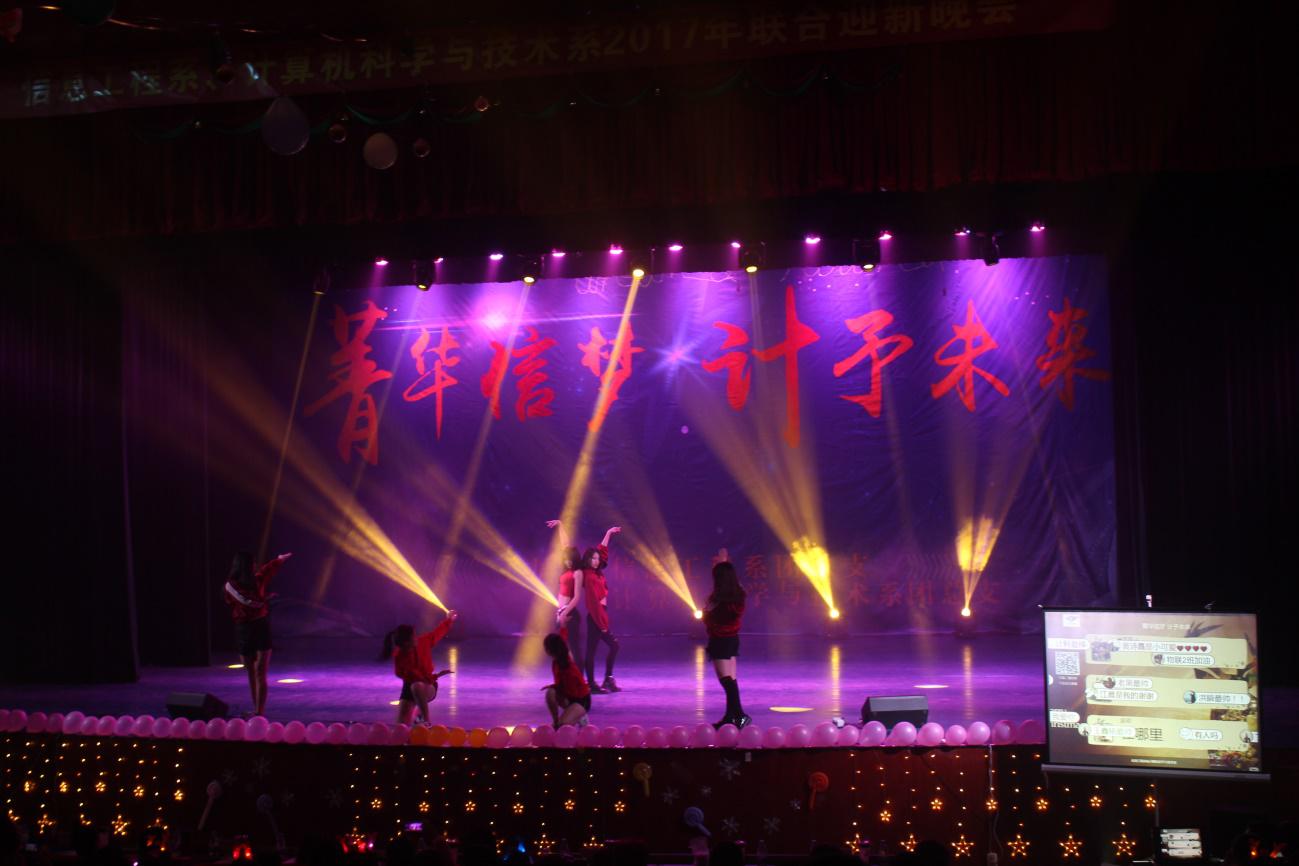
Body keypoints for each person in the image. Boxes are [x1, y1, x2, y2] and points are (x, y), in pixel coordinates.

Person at [223, 551, 292, 716]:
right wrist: (264, 600)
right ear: (244, 566)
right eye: (252, 563)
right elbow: (247, 601)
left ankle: (258, 712)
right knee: (251, 670)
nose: (255, 566)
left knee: (260, 671)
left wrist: (279, 560)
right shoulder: (230, 585)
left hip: (260, 625)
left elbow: (267, 570)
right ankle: (256, 708)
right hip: (244, 628)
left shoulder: (258, 579)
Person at [381, 610, 458, 725]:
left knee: (417, 686)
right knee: (401, 725)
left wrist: (449, 620)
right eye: (413, 636)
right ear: (406, 643)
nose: (416, 637)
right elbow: (410, 676)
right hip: (411, 688)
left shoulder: (423, 642)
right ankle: (417, 715)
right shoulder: (399, 656)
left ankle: (426, 720)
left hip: (427, 686)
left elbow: (438, 632)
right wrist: (436, 675)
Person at [703, 551, 750, 729]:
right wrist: (724, 563)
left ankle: (739, 715)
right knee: (731, 680)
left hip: (720, 641)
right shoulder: (738, 597)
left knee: (726, 681)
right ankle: (731, 717)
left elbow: (708, 619)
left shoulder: (717, 601)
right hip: (732, 640)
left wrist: (706, 613)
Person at [579, 525, 622, 693]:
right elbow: (593, 603)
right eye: (593, 559)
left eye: (597, 559)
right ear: (588, 560)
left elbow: (602, 551)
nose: (597, 561)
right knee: (592, 651)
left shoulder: (597, 572)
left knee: (613, 646)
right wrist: (602, 623)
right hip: (596, 618)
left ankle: (607, 680)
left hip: (600, 616)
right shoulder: (589, 576)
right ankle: (592, 684)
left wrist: (608, 533)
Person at [545, 521, 586, 671]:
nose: (568, 562)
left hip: (570, 614)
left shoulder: (578, 572)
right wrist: (561, 525)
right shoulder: (566, 571)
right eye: (566, 559)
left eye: (571, 559)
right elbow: (565, 545)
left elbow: (576, 597)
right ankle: (566, 678)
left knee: (574, 648)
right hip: (561, 612)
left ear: (575, 559)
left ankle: (580, 679)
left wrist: (564, 613)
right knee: (561, 650)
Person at [542, 633, 591, 727]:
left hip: (581, 700)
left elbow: (573, 693)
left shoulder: (568, 667)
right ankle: (556, 720)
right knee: (550, 693)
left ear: (549, 650)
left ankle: (580, 715)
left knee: (562, 726)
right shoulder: (556, 662)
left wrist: (557, 687)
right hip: (569, 696)